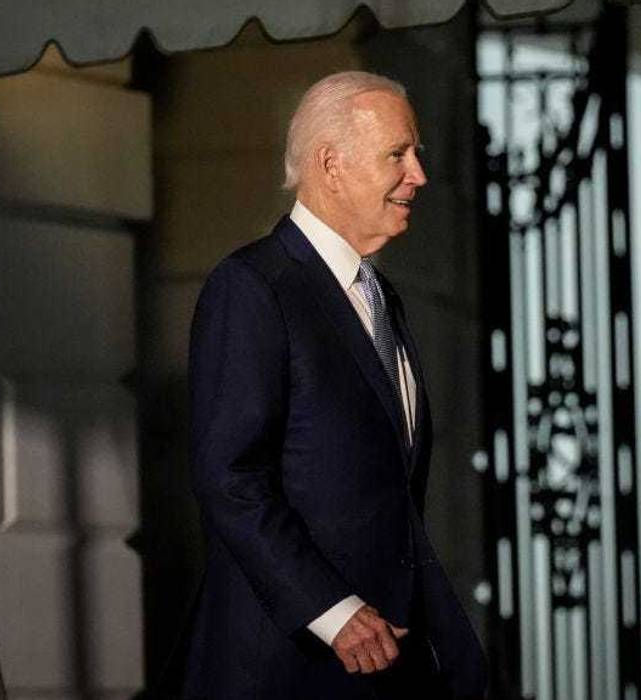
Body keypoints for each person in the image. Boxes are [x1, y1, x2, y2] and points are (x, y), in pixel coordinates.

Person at [182, 71, 486, 699]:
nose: (418, 176)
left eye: (417, 154)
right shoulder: (253, 287)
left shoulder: (377, 296)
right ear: (331, 164)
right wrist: (333, 611)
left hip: (387, 661)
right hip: (288, 667)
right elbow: (231, 477)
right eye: (397, 155)